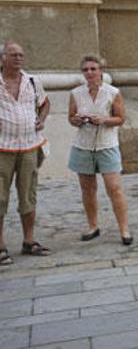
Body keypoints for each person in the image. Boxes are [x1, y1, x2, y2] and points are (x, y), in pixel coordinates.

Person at [67, 55, 132, 245]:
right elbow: (70, 117)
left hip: (107, 145)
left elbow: (120, 118)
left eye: (93, 69)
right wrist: (77, 120)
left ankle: (124, 229)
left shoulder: (112, 92)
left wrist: (103, 120)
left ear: (101, 70)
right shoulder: (76, 93)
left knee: (115, 189)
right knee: (87, 189)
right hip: (83, 146)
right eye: (86, 69)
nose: (89, 73)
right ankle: (93, 226)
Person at [0, 41, 52, 265]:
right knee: (0, 197)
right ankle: (0, 246)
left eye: (21, 55)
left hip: (30, 146)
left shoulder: (32, 81)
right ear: (3, 58)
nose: (18, 58)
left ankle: (29, 241)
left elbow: (45, 103)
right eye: (13, 54)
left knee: (28, 195)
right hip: (2, 148)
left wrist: (41, 119)